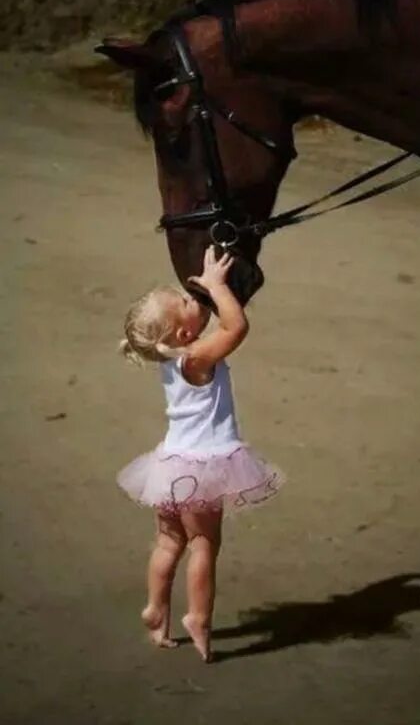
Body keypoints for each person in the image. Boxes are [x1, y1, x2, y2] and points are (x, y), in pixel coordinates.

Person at [116, 246, 284, 661]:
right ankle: (198, 618)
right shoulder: (196, 358)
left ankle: (156, 607)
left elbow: (220, 330)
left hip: (170, 465)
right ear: (183, 335)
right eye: (189, 302)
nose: (197, 298)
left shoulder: (172, 358)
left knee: (167, 541)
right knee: (204, 544)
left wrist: (209, 284)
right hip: (202, 468)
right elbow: (237, 327)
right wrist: (215, 285)